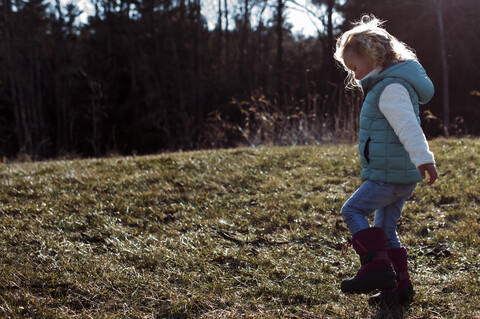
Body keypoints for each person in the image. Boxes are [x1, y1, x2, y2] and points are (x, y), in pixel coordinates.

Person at [333, 15, 438, 305]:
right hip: (400, 175)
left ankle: (377, 268)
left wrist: (424, 159)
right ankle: (398, 288)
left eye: (354, 67)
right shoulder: (391, 83)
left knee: (352, 210)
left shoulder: (390, 88)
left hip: (389, 175)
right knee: (386, 229)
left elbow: (408, 127)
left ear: (371, 55)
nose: (354, 76)